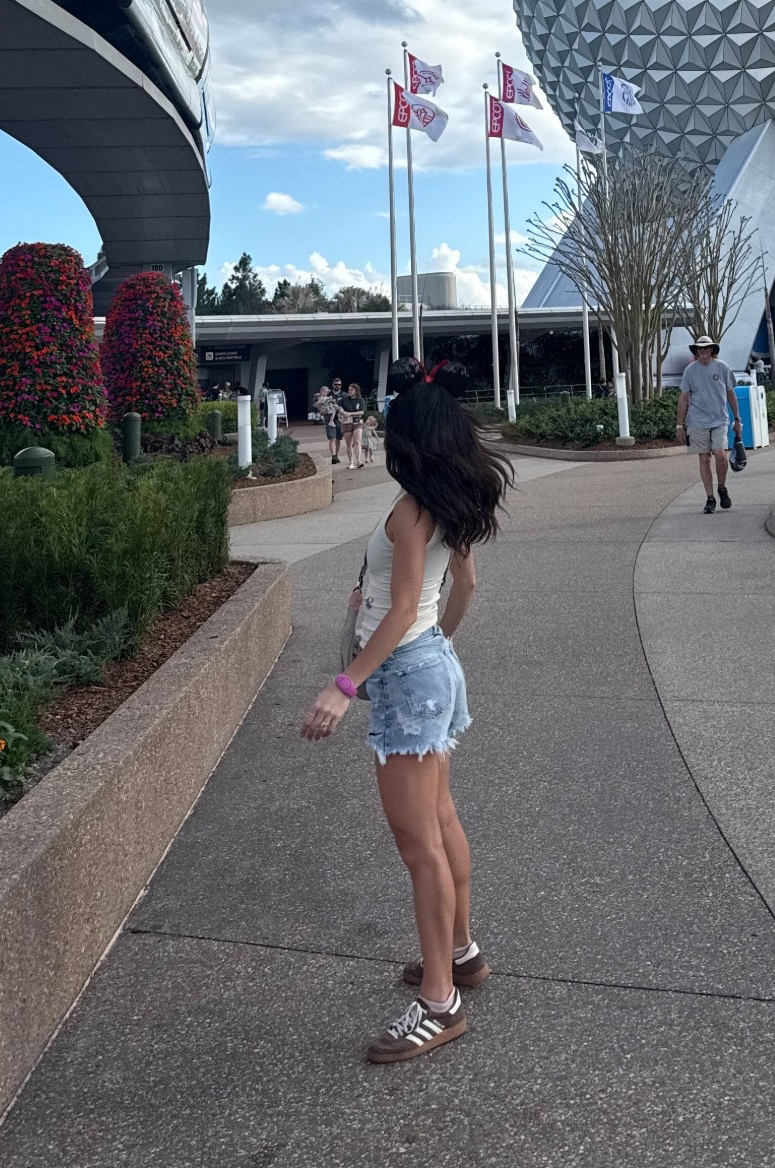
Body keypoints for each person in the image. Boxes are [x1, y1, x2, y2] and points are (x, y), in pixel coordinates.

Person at [299, 357, 510, 1064]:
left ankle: (440, 1003)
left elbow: (398, 608)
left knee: (418, 845)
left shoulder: (410, 509)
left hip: (406, 677)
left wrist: (346, 684)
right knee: (442, 822)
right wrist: (434, 648)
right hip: (432, 669)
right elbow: (464, 590)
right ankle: (462, 953)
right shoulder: (446, 506)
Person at [677, 336, 743, 513]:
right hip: (697, 421)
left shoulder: (722, 367)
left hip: (720, 419)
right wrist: (679, 425)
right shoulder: (690, 371)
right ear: (696, 351)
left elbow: (731, 394)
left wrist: (737, 419)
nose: (703, 351)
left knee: (720, 455)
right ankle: (710, 498)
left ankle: (721, 487)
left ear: (712, 350)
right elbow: (683, 398)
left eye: (706, 348)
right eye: (700, 349)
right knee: (704, 458)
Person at [338, 382, 366, 468]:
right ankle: (351, 462)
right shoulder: (344, 400)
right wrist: (341, 411)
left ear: (356, 391)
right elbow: (336, 405)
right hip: (346, 423)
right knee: (348, 443)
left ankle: (358, 461)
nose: (349, 391)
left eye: (351, 390)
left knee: (357, 441)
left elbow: (362, 412)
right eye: (349, 390)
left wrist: (350, 413)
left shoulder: (360, 400)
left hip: (357, 422)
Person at [315, 383, 342, 461]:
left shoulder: (342, 394)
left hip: (336, 417)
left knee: (338, 438)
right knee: (332, 438)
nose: (325, 393)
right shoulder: (321, 397)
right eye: (324, 392)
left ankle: (335, 456)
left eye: (326, 392)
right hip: (327, 413)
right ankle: (334, 456)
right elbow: (318, 403)